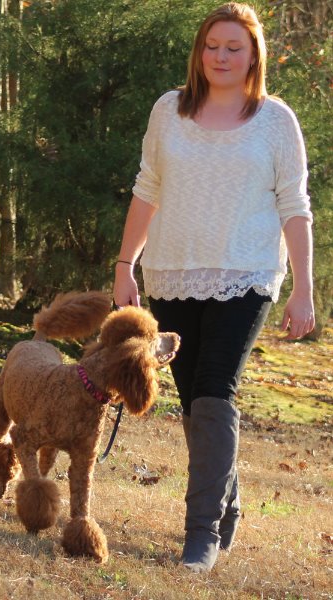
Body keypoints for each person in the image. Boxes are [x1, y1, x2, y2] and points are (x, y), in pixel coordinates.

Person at [113, 1, 314, 574]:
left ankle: (199, 534)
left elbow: (295, 205)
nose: (220, 56)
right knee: (192, 400)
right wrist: (126, 264)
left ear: (253, 57)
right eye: (212, 45)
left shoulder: (275, 120)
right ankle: (225, 505)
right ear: (199, 51)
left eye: (234, 47)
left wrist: (303, 287)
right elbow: (147, 188)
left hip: (247, 274)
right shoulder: (168, 110)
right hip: (172, 273)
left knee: (214, 388)